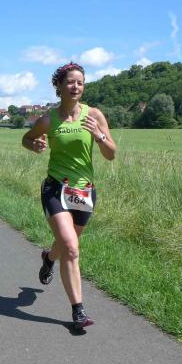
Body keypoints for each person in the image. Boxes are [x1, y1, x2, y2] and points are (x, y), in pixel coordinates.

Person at [21, 62, 116, 330]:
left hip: (84, 191)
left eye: (80, 82)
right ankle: (78, 311)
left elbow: (111, 154)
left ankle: (49, 258)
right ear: (60, 86)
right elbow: (26, 139)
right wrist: (34, 145)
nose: (76, 87)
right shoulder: (49, 119)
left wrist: (99, 136)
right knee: (72, 248)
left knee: (66, 245)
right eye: (71, 82)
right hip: (56, 189)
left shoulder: (94, 115)